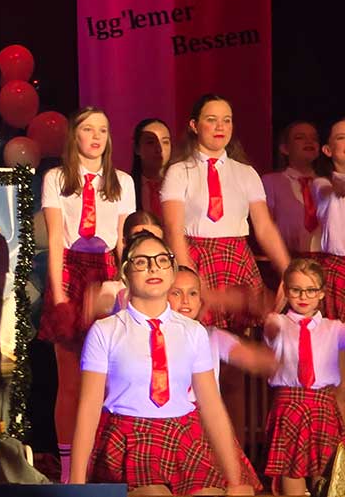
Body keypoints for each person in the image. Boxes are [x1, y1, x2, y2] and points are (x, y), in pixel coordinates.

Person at [70, 233, 251, 495]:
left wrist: (233, 477)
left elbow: (212, 406)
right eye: (141, 262)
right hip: (130, 436)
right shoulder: (106, 331)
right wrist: (76, 483)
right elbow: (88, 407)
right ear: (126, 273)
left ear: (172, 269)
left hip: (184, 435)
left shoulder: (193, 331)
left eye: (161, 260)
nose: (153, 268)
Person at [39, 106, 135, 483]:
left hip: (108, 273)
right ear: (74, 135)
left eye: (103, 130)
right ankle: (68, 469)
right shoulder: (57, 178)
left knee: (107, 377)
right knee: (70, 381)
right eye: (88, 129)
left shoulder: (122, 182)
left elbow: (123, 242)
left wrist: (125, 287)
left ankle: (101, 461)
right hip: (69, 270)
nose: (96, 137)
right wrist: (59, 294)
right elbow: (55, 238)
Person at [162, 94, 290, 329]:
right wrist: (189, 276)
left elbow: (264, 227)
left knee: (243, 333)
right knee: (201, 331)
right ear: (194, 125)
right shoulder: (179, 171)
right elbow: (173, 229)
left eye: (227, 120)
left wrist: (288, 271)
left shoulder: (246, 173)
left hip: (237, 258)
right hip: (196, 258)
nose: (220, 127)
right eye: (211, 120)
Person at [168, 265, 273, 492]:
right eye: (176, 293)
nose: (185, 300)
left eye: (192, 293)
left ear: (201, 302)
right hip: (170, 423)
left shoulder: (212, 336)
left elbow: (252, 358)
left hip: (206, 425)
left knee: (240, 488)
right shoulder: (151, 336)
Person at [263, 258, 345, 495]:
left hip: (322, 406)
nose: (303, 296)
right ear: (287, 291)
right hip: (289, 406)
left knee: (326, 472)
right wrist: (276, 302)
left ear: (321, 293)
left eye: (311, 290)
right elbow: (270, 330)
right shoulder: (277, 323)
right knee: (291, 470)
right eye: (296, 290)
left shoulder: (335, 328)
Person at [262, 121, 323, 257]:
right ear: (285, 148)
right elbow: (265, 225)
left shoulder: (327, 185)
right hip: (288, 258)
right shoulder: (271, 182)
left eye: (314, 138)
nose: (309, 141)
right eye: (300, 137)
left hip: (326, 259)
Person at [313, 118, 345, 320]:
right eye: (342, 138)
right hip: (339, 267)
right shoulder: (321, 184)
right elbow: (334, 189)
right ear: (327, 150)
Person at [133, 118, 172, 219]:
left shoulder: (180, 183)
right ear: (137, 148)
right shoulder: (128, 186)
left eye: (165, 142)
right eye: (150, 142)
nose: (159, 149)